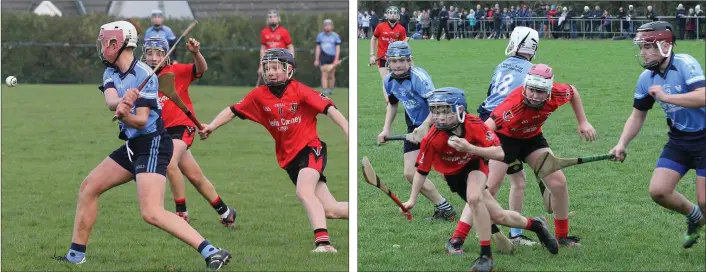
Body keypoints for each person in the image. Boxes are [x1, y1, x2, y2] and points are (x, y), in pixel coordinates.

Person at [54, 21, 231, 270]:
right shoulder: (111, 72)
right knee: (89, 187)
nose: (104, 47)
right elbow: (109, 100)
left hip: (153, 143)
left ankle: (212, 251)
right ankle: (75, 256)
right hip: (133, 145)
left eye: (108, 42)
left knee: (151, 212)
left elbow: (140, 121)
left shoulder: (145, 75)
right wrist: (121, 103)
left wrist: (127, 113)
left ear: (121, 44)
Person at [199, 48, 349, 253]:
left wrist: (348, 129)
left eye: (276, 67)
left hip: (311, 149)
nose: (270, 72)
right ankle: (363, 213)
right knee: (331, 209)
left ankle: (323, 244)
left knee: (304, 192)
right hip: (289, 159)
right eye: (267, 67)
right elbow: (232, 110)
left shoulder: (300, 90)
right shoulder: (258, 95)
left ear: (289, 70)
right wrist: (211, 126)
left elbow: (329, 109)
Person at [402, 87, 559, 272]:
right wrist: (412, 199)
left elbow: (500, 153)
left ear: (460, 110)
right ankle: (537, 225)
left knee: (475, 199)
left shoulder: (474, 125)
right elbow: (421, 171)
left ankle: (486, 257)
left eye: (446, 111)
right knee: (499, 216)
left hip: (475, 167)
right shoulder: (432, 138)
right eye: (435, 112)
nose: (440, 117)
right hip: (455, 178)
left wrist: (470, 148)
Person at [609, 21, 705, 248]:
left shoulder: (685, 64)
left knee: (704, 200)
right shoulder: (646, 78)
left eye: (647, 46)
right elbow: (637, 116)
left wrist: (667, 97)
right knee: (659, 191)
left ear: (664, 45)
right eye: (641, 47)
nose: (642, 52)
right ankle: (695, 218)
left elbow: (703, 95)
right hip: (679, 140)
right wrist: (621, 143)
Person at [483, 64, 596, 248]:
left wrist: (583, 122)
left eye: (541, 91)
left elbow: (573, 91)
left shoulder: (558, 93)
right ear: (525, 85)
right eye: (532, 90)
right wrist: (477, 152)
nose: (535, 95)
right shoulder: (513, 105)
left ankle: (562, 236)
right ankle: (461, 239)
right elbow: (487, 128)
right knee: (490, 188)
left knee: (558, 183)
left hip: (531, 138)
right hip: (505, 140)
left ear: (549, 91)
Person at [141, 36, 237, 226]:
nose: (153, 57)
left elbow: (201, 69)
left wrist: (196, 53)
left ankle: (181, 214)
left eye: (158, 53)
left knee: (168, 163)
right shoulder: (143, 78)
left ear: (166, 55)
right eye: (149, 53)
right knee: (195, 177)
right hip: (162, 131)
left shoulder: (176, 71)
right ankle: (227, 213)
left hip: (182, 127)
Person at [474, 26, 541, 246]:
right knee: (490, 185)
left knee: (518, 181)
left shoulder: (502, 65)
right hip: (502, 124)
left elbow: (490, 93)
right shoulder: (532, 71)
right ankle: (479, 232)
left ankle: (515, 234)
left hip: (488, 117)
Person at [376, 41, 457, 221]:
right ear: (388, 61)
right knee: (410, 173)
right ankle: (444, 208)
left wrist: (425, 127)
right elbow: (393, 104)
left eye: (402, 60)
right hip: (414, 126)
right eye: (394, 61)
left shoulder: (419, 78)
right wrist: (386, 129)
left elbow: (437, 107)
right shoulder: (389, 81)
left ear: (410, 60)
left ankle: (476, 202)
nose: (397, 65)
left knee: (448, 173)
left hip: (436, 123)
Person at [370, 6, 409, 103]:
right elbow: (373, 39)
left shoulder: (401, 29)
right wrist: (372, 55)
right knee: (386, 79)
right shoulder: (380, 26)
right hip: (382, 57)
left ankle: (395, 97)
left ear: (398, 16)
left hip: (395, 58)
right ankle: (389, 102)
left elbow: (404, 42)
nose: (393, 14)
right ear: (387, 15)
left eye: (395, 13)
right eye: (390, 12)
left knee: (396, 79)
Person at [259, 10, 294, 81]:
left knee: (282, 80)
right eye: (270, 17)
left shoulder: (284, 31)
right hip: (269, 60)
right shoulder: (264, 32)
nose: (272, 18)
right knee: (270, 80)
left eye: (275, 16)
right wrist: (261, 63)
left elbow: (290, 46)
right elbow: (263, 48)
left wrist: (291, 60)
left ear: (278, 18)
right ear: (268, 19)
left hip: (281, 60)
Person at [314, 19, 342, 96]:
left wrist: (336, 59)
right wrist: (316, 59)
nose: (327, 27)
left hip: (333, 57)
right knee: (324, 74)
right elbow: (318, 48)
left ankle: (331, 89)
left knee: (331, 74)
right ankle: (325, 90)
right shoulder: (320, 36)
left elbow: (337, 48)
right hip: (323, 56)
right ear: (323, 26)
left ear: (332, 26)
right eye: (326, 25)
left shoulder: (336, 36)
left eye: (329, 25)